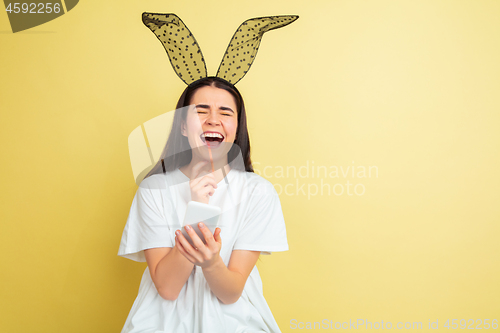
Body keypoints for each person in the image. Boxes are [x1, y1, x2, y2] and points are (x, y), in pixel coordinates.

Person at [118, 76, 289, 333]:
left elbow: (230, 292)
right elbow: (167, 287)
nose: (213, 119)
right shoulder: (153, 189)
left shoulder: (258, 192)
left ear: (236, 127)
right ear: (183, 127)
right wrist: (199, 210)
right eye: (200, 110)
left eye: (225, 112)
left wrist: (211, 263)